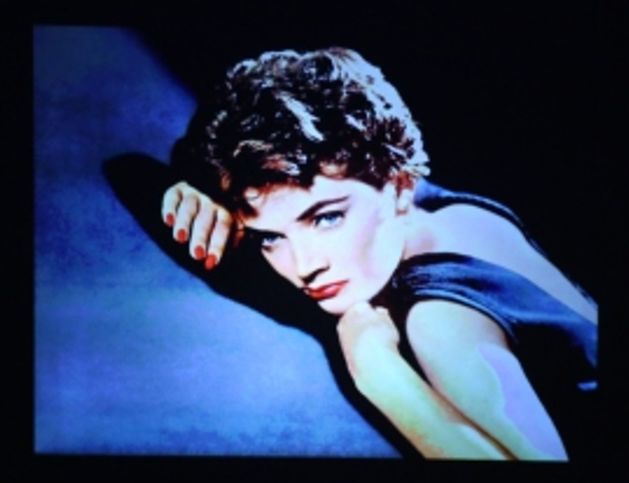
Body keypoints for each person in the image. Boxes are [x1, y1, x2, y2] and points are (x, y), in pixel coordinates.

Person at [160, 47, 598, 460]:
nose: (306, 266)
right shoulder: (442, 211)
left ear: (400, 185)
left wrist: (381, 376)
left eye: (326, 219)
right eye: (270, 238)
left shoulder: (440, 323)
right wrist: (207, 186)